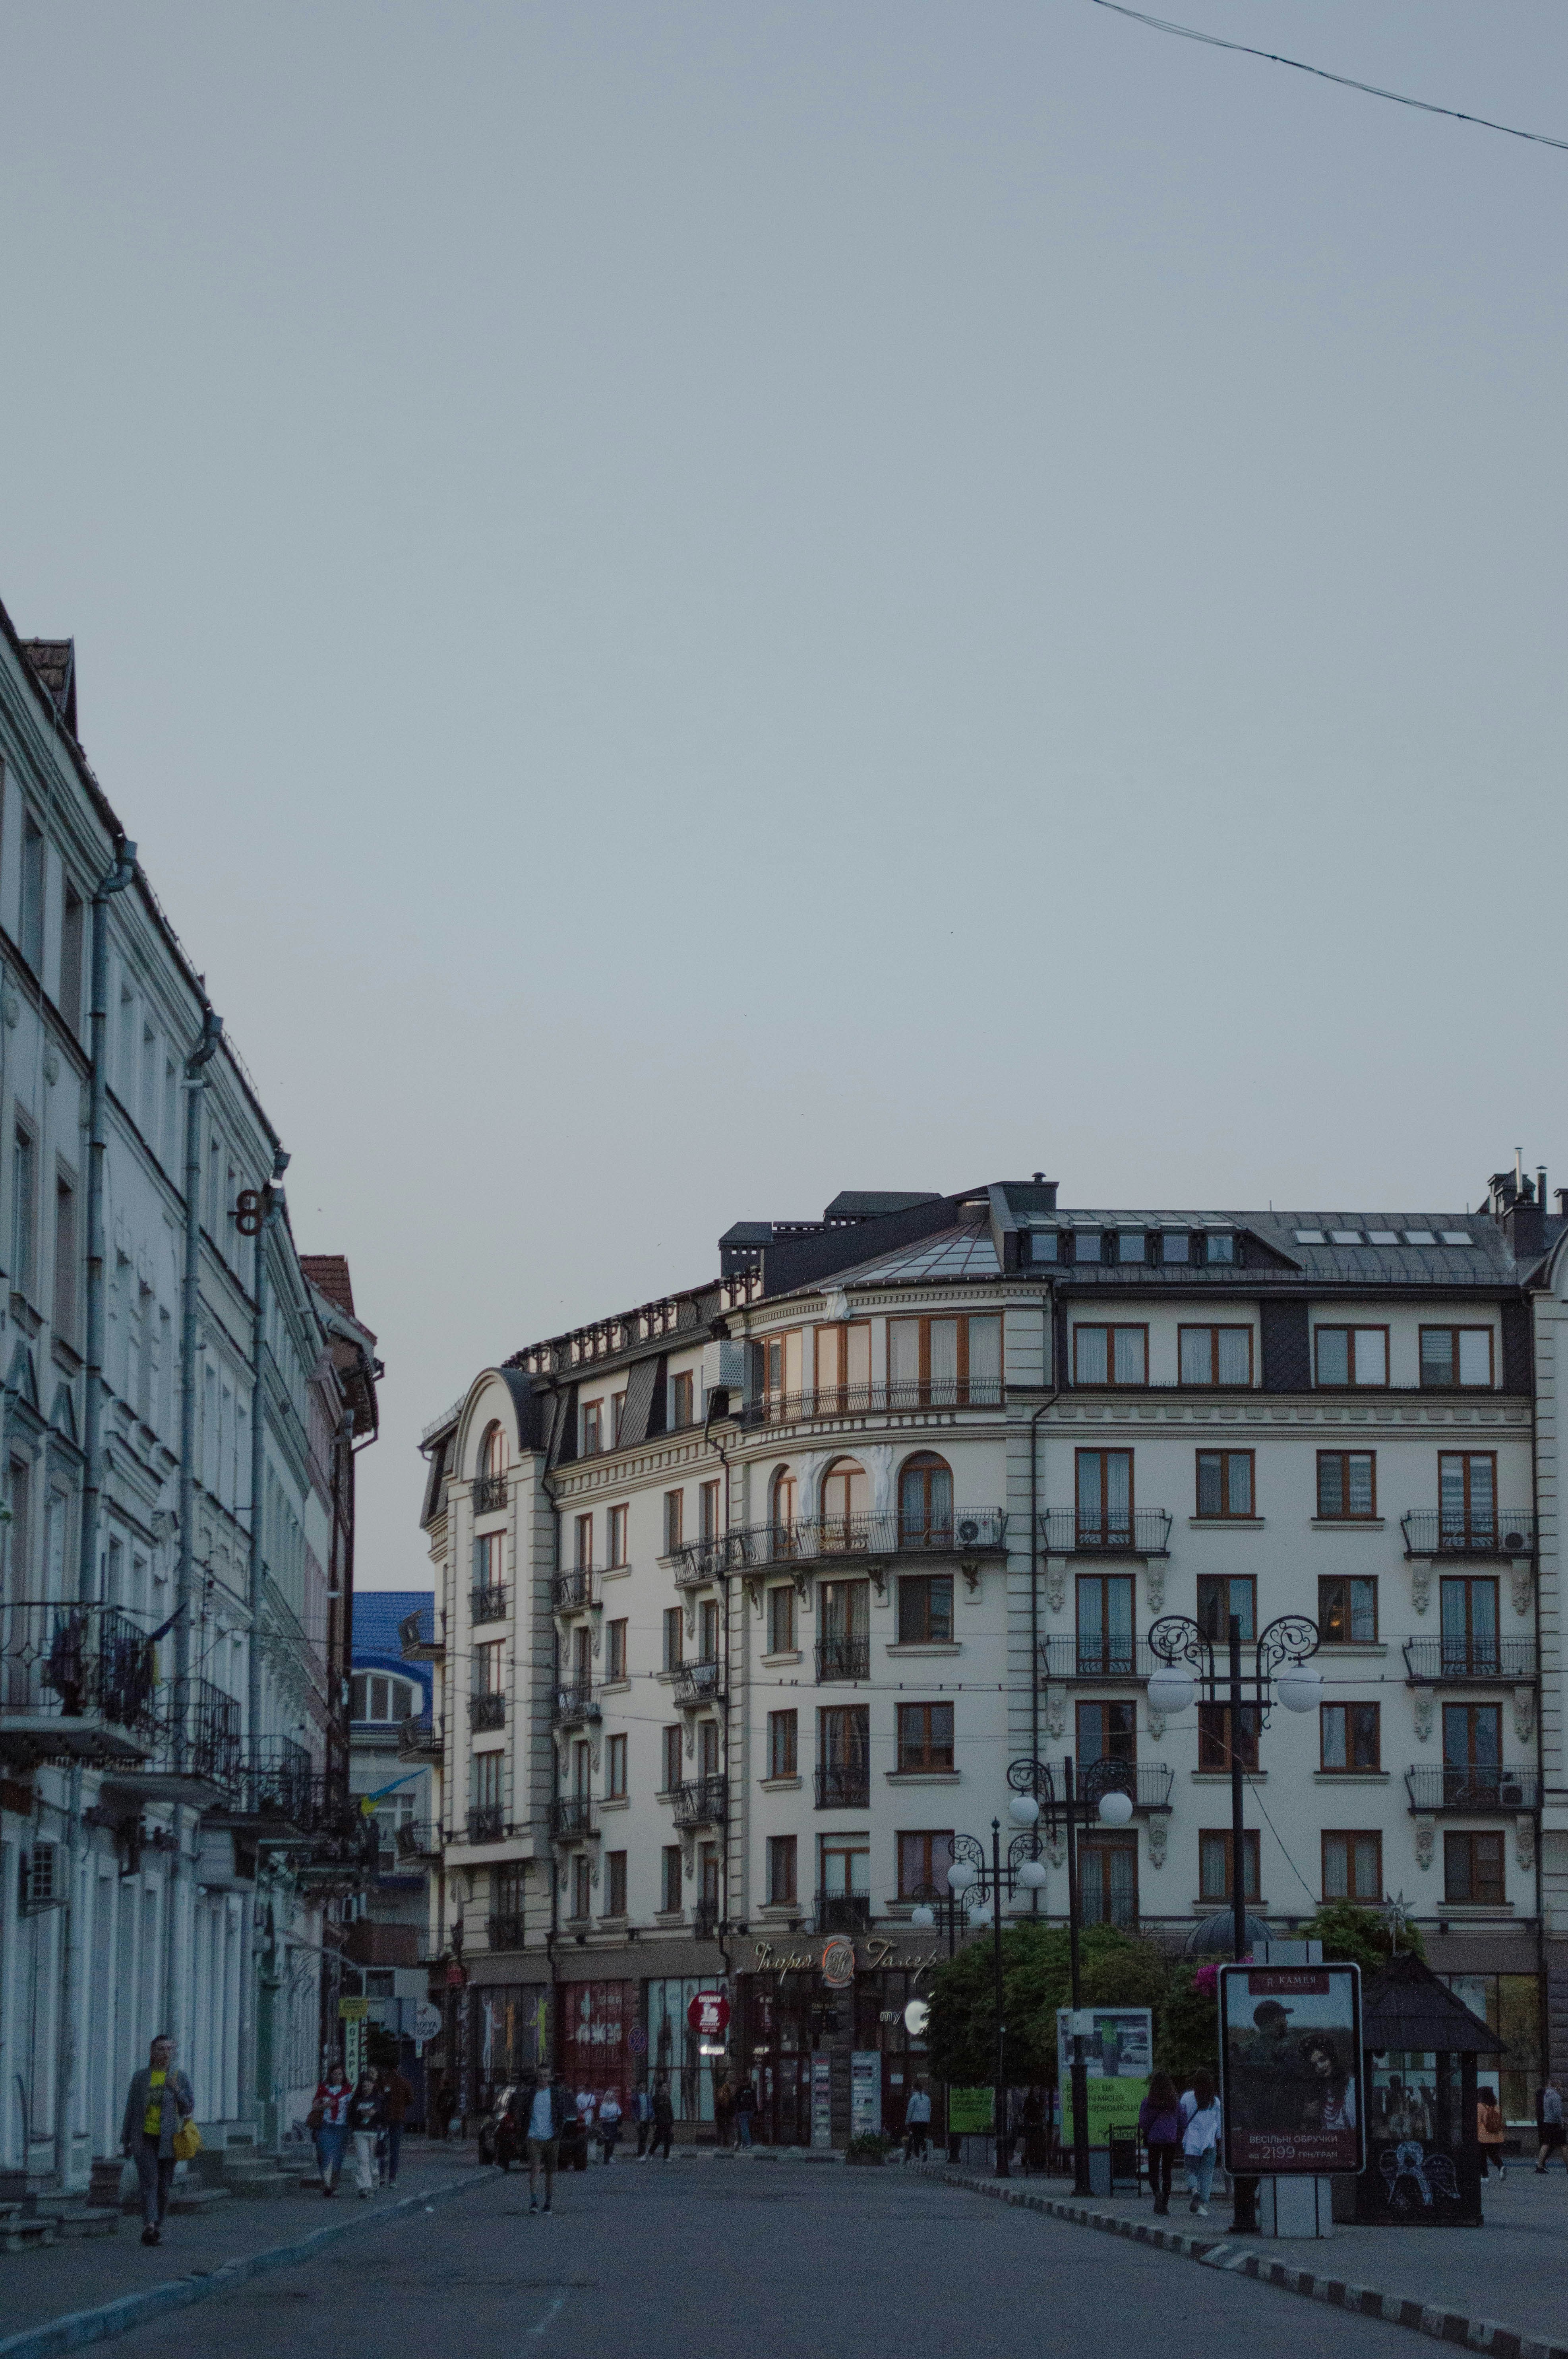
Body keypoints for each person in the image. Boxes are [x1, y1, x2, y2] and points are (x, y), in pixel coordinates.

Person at [120, 2033, 195, 2247]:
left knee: (164, 2185)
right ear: (153, 2053)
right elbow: (131, 2109)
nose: (165, 2054)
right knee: (149, 2182)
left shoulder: (179, 2077)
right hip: (144, 2138)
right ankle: (149, 2227)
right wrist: (126, 2139)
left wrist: (178, 2091)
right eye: (161, 2049)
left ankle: (158, 2224)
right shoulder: (141, 2078)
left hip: (169, 2140)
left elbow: (189, 2107)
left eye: (169, 2050)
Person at [525, 2068, 572, 2214]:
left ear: (550, 2077)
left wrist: (558, 2132)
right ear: (536, 2077)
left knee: (550, 2172)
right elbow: (524, 2113)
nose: (542, 2078)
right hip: (534, 2137)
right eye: (540, 2076)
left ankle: (548, 2203)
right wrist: (525, 2132)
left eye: (545, 2076)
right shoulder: (531, 2094)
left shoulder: (555, 2094)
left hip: (551, 2138)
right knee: (535, 2169)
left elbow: (562, 2114)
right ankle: (534, 2202)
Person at [1139, 2072, 1184, 2217]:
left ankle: (1157, 2193)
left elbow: (1143, 2123)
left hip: (1154, 2140)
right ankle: (1164, 2205)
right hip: (1171, 2140)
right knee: (1167, 2172)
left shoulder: (1149, 2102)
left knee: (1153, 2170)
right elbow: (1182, 2120)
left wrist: (1149, 2131)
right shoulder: (1175, 2103)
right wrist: (1177, 2134)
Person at [1181, 2069, 1222, 2218]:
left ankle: (1195, 2192)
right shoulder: (1215, 2102)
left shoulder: (1187, 2098)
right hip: (1210, 2143)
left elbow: (1182, 2118)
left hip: (1192, 2143)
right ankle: (1203, 2205)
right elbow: (1219, 2126)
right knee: (1207, 2175)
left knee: (1190, 2170)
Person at [311, 2060, 353, 2196]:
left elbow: (353, 2108)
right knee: (326, 2155)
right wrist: (326, 2105)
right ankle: (327, 2185)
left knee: (338, 2158)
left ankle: (333, 2186)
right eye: (335, 2074)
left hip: (342, 2127)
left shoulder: (348, 2089)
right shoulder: (324, 2088)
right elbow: (315, 2106)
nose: (338, 2077)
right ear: (331, 2075)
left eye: (340, 2074)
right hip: (326, 2126)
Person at [1299, 2034, 1356, 2135]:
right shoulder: (1317, 2092)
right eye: (1315, 2065)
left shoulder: (1352, 2087)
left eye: (1323, 2060)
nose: (1320, 2067)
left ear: (1332, 2058)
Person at [347, 2067, 385, 2198]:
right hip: (360, 2133)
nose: (366, 2086)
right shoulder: (356, 2100)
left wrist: (375, 2113)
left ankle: (374, 2185)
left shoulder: (379, 2099)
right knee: (363, 2160)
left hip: (374, 2133)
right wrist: (360, 2114)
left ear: (373, 2085)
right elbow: (350, 2117)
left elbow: (385, 2116)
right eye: (364, 2083)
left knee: (373, 2160)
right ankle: (364, 2187)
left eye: (369, 2083)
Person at [381, 2065, 414, 2186]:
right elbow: (411, 2100)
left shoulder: (383, 2081)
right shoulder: (404, 2082)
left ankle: (381, 2176)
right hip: (398, 2118)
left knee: (382, 2148)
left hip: (385, 2119)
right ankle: (392, 2178)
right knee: (395, 2150)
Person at [1477, 2087, 1507, 2180]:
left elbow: (1478, 2122)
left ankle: (1485, 2176)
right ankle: (1501, 2166)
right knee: (1493, 2154)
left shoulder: (1480, 2106)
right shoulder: (1496, 2107)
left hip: (1484, 2136)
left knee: (1482, 2156)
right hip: (1496, 2135)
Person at [1536, 2078, 1564, 2172]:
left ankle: (1540, 2165)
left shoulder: (1546, 2095)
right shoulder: (1556, 2096)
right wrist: (1561, 2123)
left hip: (1547, 2122)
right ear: (1556, 2085)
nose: (1561, 2087)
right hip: (1555, 2123)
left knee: (1546, 2144)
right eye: (1560, 2085)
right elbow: (1557, 2112)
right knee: (1564, 2145)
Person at [904, 2079, 932, 2161]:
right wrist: (928, 2119)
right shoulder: (927, 2099)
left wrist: (907, 2122)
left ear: (915, 2089)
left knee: (916, 2138)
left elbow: (910, 2111)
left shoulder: (914, 2098)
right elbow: (930, 2110)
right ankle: (925, 2152)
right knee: (922, 2137)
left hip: (915, 2121)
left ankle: (917, 2156)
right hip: (925, 2121)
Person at [650, 2074, 675, 2160]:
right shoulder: (655, 2099)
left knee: (668, 2140)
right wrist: (654, 2123)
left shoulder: (667, 2098)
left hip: (667, 2121)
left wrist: (672, 2122)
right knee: (658, 2139)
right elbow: (654, 2111)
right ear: (660, 2088)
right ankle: (650, 2153)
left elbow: (670, 2110)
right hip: (659, 2122)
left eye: (666, 2087)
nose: (665, 2088)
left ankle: (666, 2157)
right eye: (664, 2087)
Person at [598, 2088, 623, 2164]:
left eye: (613, 2096)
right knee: (607, 2141)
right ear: (607, 2096)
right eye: (610, 2096)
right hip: (607, 2125)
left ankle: (610, 2156)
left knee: (613, 2141)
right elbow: (602, 2117)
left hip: (614, 2124)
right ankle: (606, 2158)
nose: (612, 2097)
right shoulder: (604, 2106)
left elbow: (619, 2113)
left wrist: (614, 2117)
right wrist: (612, 2117)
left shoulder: (616, 2105)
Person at [734, 2078, 758, 2148]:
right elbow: (755, 2102)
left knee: (744, 2128)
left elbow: (736, 2102)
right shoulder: (752, 2090)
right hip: (750, 2111)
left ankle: (748, 2143)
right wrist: (756, 2112)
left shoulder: (739, 2090)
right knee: (747, 2128)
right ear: (748, 2081)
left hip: (742, 2112)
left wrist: (737, 2112)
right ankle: (744, 2144)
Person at [633, 2079, 654, 2159]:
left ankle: (642, 2154)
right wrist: (636, 2121)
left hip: (647, 2120)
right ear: (639, 2086)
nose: (643, 2087)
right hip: (639, 2120)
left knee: (645, 2137)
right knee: (642, 2137)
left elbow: (651, 2107)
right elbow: (633, 2109)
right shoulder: (635, 2097)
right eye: (642, 2085)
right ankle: (641, 2155)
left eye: (644, 2085)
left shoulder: (647, 2096)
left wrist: (652, 2116)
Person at [714, 2076, 736, 2150]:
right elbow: (733, 2108)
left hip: (721, 2117)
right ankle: (728, 2144)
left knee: (720, 2131)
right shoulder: (731, 2098)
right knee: (728, 2131)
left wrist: (717, 2116)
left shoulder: (721, 2098)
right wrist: (732, 2115)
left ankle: (720, 2145)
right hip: (728, 2117)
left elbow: (718, 2108)